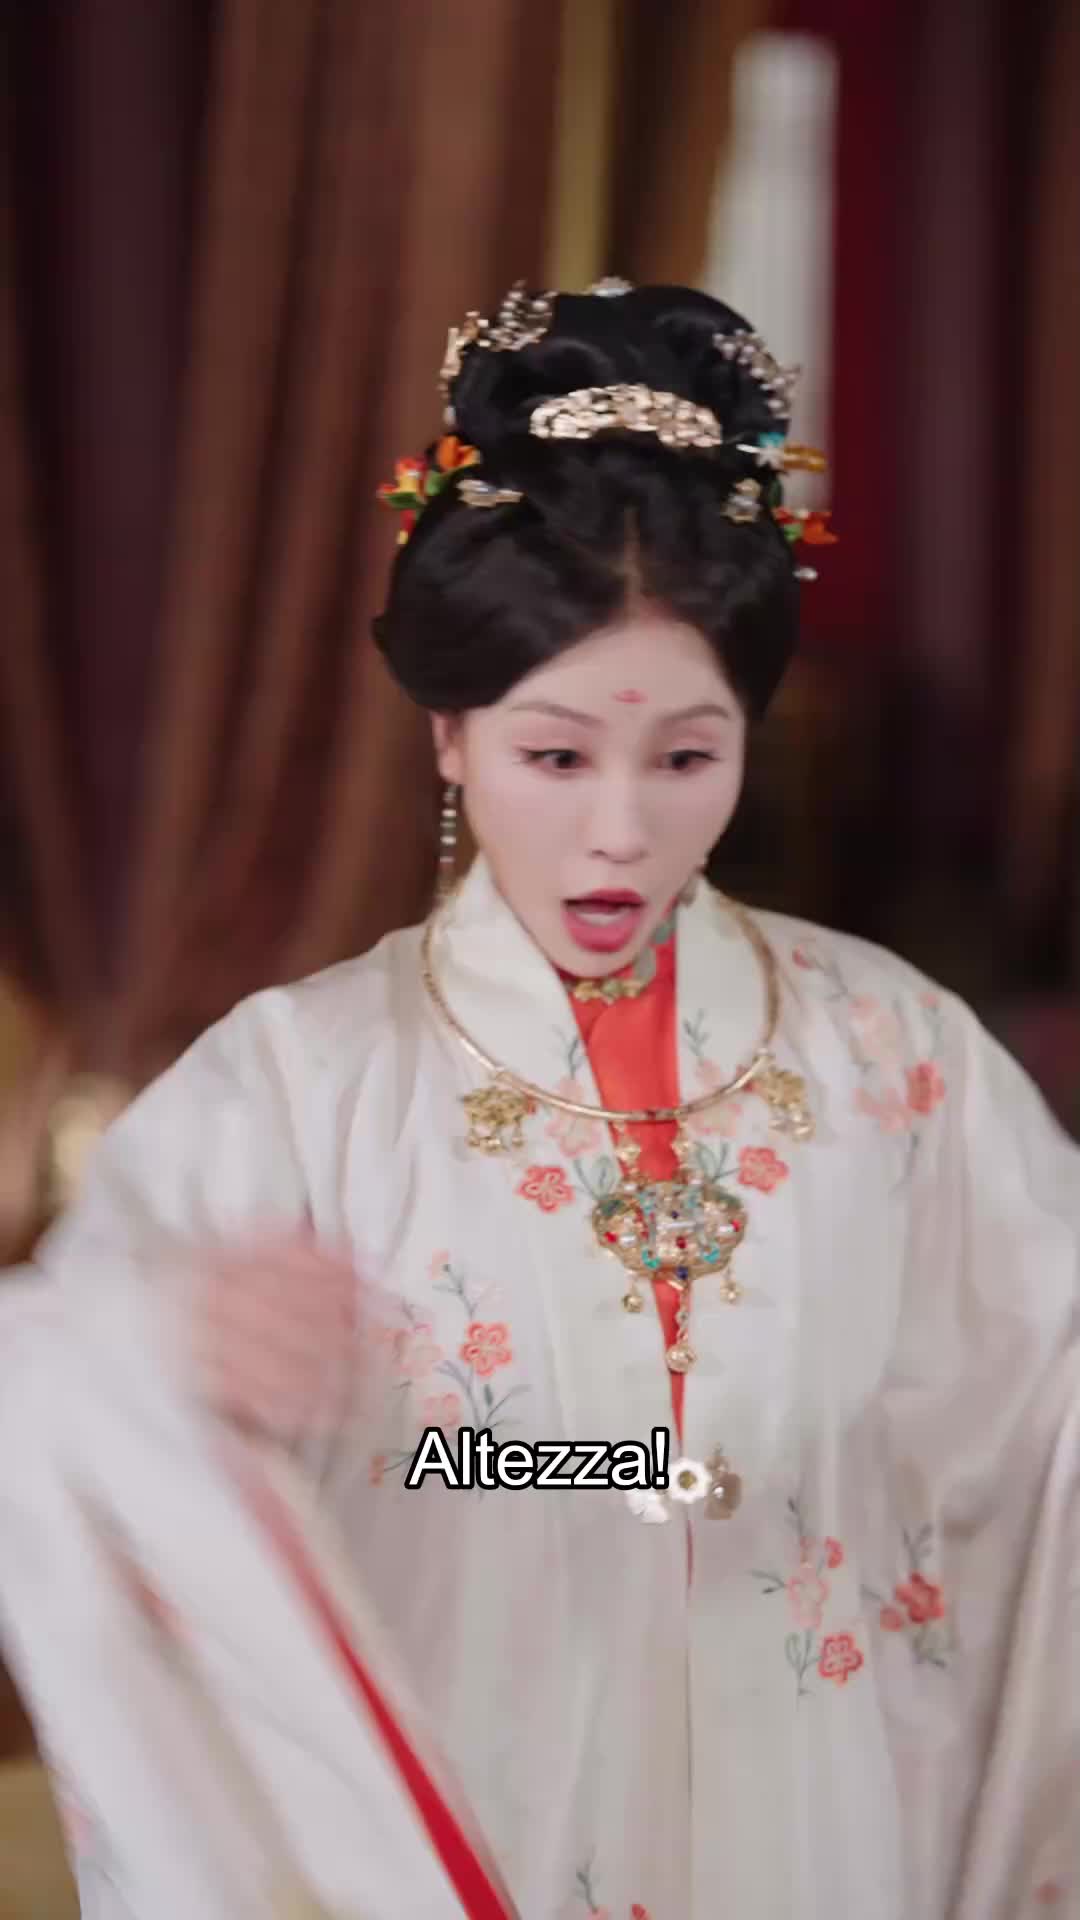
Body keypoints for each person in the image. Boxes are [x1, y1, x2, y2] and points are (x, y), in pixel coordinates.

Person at [0, 282, 1077, 1920]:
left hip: (825, 1805)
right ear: (451, 737)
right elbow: (56, 1380)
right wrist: (158, 1350)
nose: (621, 834)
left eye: (687, 759)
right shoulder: (298, 1083)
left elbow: (1045, 1382)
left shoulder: (891, 1051)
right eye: (557, 757)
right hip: (480, 1787)